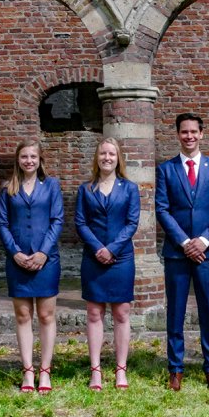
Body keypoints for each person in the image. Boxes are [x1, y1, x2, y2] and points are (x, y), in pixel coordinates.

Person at [155, 112, 209, 391]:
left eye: (193, 131)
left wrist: (205, 240)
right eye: (184, 132)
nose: (189, 136)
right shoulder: (166, 169)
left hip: (207, 253)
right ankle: (175, 368)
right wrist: (185, 242)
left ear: (202, 134)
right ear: (178, 134)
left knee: (208, 311)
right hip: (177, 252)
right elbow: (162, 209)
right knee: (175, 310)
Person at [0, 139, 64, 394]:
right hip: (18, 261)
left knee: (46, 316)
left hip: (46, 260)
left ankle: (45, 370)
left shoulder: (52, 186)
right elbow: (2, 223)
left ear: (40, 160)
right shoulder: (8, 189)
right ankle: (27, 370)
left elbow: (57, 220)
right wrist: (14, 252)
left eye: (33, 157)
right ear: (18, 159)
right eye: (24, 156)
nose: (29, 161)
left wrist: (43, 253)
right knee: (23, 316)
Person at [75, 138, 140, 390]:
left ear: (118, 158)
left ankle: (121, 369)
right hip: (93, 258)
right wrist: (98, 248)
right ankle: (96, 371)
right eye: (103, 153)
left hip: (121, 258)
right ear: (97, 157)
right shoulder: (86, 189)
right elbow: (80, 223)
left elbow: (132, 223)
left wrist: (112, 249)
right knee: (94, 313)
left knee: (121, 313)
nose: (107, 158)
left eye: (112, 154)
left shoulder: (129, 188)